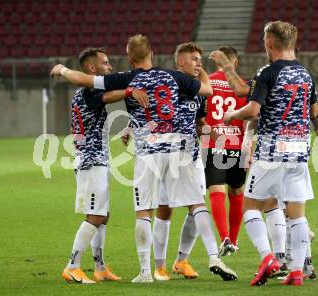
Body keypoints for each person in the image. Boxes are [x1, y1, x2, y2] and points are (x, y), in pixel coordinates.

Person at [51, 34, 237, 284]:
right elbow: (207, 90)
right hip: (178, 147)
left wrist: (61, 69)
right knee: (196, 203)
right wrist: (203, 71)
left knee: (144, 211)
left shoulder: (126, 78)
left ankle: (146, 272)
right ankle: (214, 256)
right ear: (151, 53)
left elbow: (82, 79)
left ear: (129, 58)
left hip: (148, 151)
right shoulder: (174, 76)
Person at [222, 21, 318, 286]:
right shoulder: (306, 75)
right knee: (297, 214)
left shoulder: (268, 72)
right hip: (299, 152)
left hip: (272, 151)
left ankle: (268, 258)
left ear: (270, 43)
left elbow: (252, 111)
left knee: (250, 207)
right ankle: (297, 271)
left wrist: (231, 115)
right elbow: (316, 117)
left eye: (264, 40)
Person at [59, 47, 144, 284]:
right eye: (105, 63)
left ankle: (100, 267)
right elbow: (107, 97)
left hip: (96, 159)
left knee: (103, 215)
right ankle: (72, 266)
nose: (110, 67)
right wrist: (129, 91)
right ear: (92, 69)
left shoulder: (84, 92)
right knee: (95, 215)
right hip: (91, 160)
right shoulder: (89, 90)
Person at [151, 42, 207, 281]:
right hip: (168, 156)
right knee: (165, 209)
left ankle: (182, 260)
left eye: (200, 59)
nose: (199, 63)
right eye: (194, 59)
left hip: (192, 157)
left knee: (197, 206)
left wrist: (207, 129)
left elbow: (199, 121)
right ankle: (160, 266)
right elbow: (153, 115)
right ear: (180, 61)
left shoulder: (198, 92)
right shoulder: (166, 88)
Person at [203, 46, 248, 256]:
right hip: (238, 143)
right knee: (237, 191)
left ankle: (225, 239)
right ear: (235, 63)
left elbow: (199, 115)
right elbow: (251, 118)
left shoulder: (207, 83)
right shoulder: (243, 86)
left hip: (214, 142)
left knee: (216, 190)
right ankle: (236, 239)